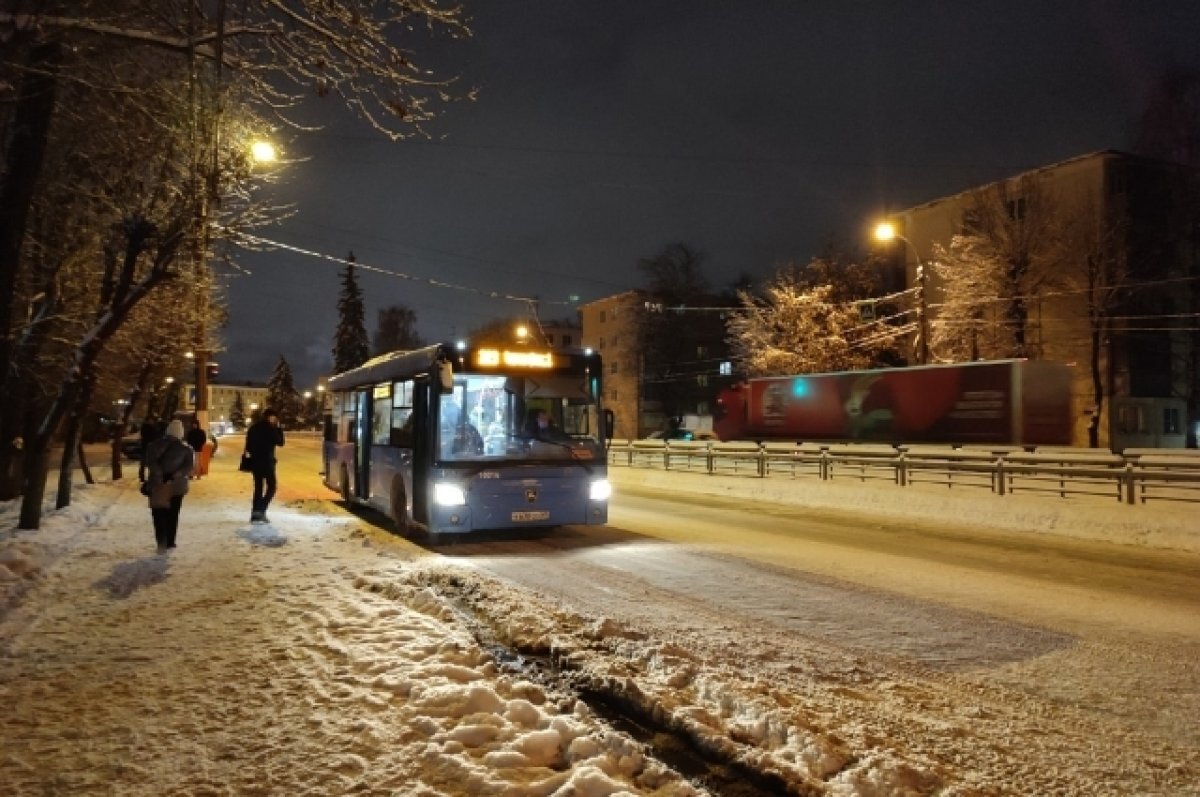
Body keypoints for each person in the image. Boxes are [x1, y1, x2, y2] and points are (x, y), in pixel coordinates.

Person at [144, 419, 194, 554]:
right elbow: (188, 467)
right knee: (173, 514)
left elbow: (150, 462)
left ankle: (161, 542)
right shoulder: (186, 449)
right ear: (181, 433)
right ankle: (170, 541)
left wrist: (160, 475)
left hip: (158, 485)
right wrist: (174, 475)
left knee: (158, 514)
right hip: (177, 486)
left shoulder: (153, 445)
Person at [244, 408, 285, 523]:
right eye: (275, 417)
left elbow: (248, 447)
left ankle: (255, 514)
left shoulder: (253, 428)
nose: (276, 419)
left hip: (255, 462)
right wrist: (278, 428)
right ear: (270, 417)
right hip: (267, 462)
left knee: (258, 488)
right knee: (272, 486)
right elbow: (281, 442)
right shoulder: (271, 428)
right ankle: (260, 510)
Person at [138, 415, 162, 482]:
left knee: (145, 462)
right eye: (150, 420)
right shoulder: (149, 427)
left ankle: (143, 476)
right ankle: (143, 476)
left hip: (147, 446)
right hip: (148, 446)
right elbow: (154, 436)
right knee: (147, 462)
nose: (151, 421)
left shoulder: (147, 427)